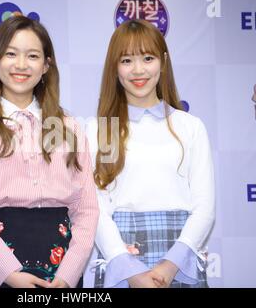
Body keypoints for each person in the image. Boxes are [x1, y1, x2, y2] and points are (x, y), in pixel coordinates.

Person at [0, 16, 99, 288]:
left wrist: (67, 275)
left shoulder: (69, 127)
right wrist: (7, 272)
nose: (21, 65)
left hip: (62, 270)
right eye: (10, 54)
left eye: (32, 56)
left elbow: (86, 209)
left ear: (46, 65)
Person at [86, 19, 215, 288]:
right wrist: (129, 269)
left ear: (163, 61)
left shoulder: (189, 126)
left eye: (147, 58)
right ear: (114, 66)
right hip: (121, 259)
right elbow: (96, 207)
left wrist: (170, 265)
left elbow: (204, 207)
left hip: (180, 260)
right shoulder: (101, 129)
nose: (138, 70)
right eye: (126, 60)